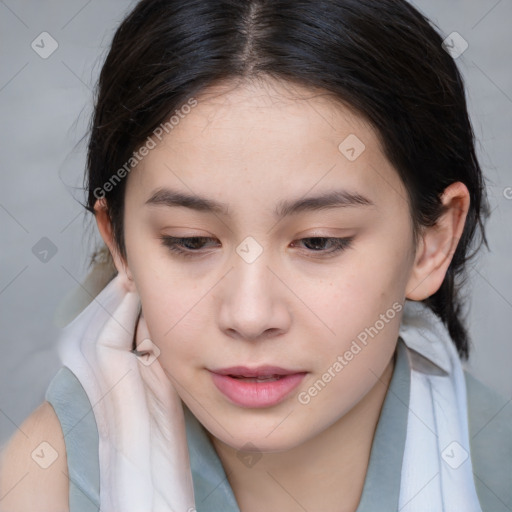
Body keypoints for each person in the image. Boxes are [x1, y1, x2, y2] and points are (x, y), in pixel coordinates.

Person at [1, 0, 510, 511]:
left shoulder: (497, 468)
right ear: (120, 243)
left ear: (432, 241)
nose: (249, 315)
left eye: (318, 241)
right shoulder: (46, 482)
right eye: (190, 241)